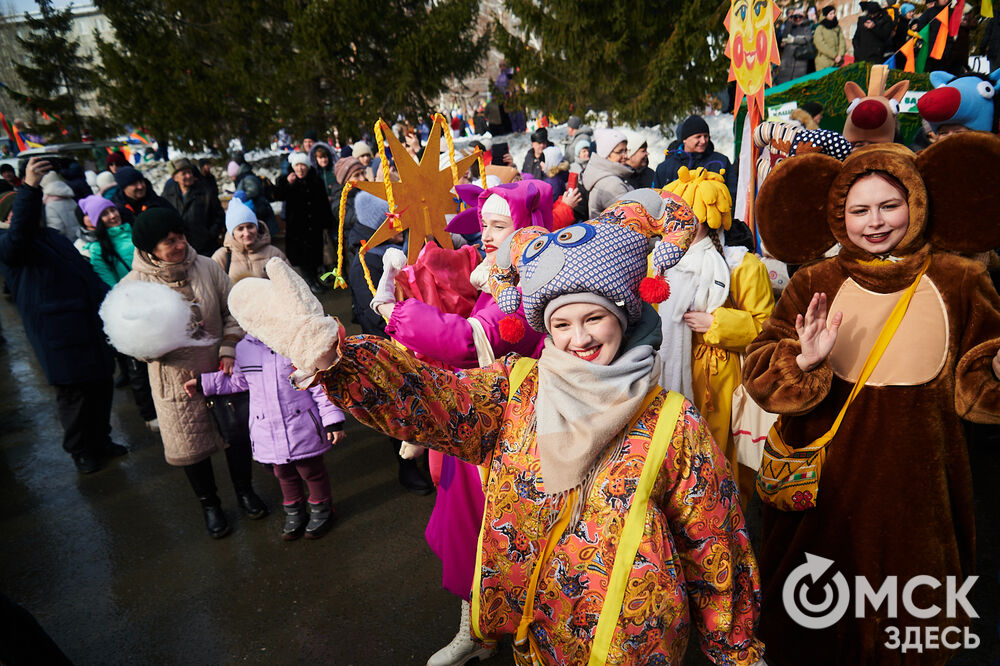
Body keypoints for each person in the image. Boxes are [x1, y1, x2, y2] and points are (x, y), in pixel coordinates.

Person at [228, 193, 764, 665]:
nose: (579, 337)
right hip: (540, 631)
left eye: (594, 317)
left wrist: (736, 651)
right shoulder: (515, 390)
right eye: (560, 322)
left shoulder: (673, 422)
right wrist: (339, 360)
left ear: (623, 317)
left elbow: (713, 542)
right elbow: (432, 401)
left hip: (636, 647)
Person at [743, 137, 1000, 665]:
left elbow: (980, 389)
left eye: (890, 205)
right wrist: (802, 362)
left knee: (913, 629)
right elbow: (760, 372)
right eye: (859, 209)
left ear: (917, 201)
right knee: (815, 628)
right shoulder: (813, 280)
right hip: (825, 492)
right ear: (838, 214)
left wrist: (994, 368)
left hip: (922, 497)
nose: (875, 221)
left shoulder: (962, 280)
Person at [371, 180, 552, 665]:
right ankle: (477, 628)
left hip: (513, 433)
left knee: (505, 536)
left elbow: (472, 341)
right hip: (478, 422)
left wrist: (394, 310)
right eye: (485, 224)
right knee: (468, 533)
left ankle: (514, 632)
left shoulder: (530, 281)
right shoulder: (499, 269)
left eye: (500, 225)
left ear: (526, 228)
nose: (487, 235)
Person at [123, 207, 267, 538]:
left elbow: (233, 310)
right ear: (149, 249)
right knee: (191, 446)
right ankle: (210, 505)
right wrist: (149, 349)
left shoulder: (206, 267)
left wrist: (229, 347)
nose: (179, 244)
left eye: (180, 236)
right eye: (168, 242)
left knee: (236, 436)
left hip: (220, 368)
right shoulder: (134, 286)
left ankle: (245, 491)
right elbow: (128, 339)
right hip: (174, 381)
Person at [656, 169, 774, 507]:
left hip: (721, 381)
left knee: (718, 455)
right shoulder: (660, 263)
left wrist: (716, 322)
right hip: (669, 372)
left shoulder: (741, 266)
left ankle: (727, 523)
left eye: (685, 218)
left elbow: (766, 329)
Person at [0, 158, 122, 474]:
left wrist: (111, 301)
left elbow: (82, 272)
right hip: (58, 334)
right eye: (13, 214)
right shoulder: (9, 246)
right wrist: (27, 188)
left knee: (100, 384)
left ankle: (101, 440)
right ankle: (81, 451)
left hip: (86, 325)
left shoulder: (51, 237)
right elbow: (19, 233)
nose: (24, 217)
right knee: (75, 394)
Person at [187, 335, 346, 541]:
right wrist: (204, 382)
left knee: (311, 470)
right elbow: (238, 381)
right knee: (283, 473)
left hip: (301, 426)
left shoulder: (295, 342)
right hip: (267, 428)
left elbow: (318, 385)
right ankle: (294, 511)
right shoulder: (244, 348)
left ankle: (322, 508)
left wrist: (332, 419)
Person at [346, 191, 432, 495]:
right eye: (391, 221)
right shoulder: (365, 261)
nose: (399, 225)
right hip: (389, 342)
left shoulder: (392, 247)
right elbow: (371, 313)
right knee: (399, 407)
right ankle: (406, 469)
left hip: (409, 336)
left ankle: (425, 460)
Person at [77, 194, 159, 431]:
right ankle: (149, 413)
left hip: (156, 301)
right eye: (104, 214)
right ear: (96, 221)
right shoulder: (98, 250)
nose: (112, 216)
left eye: (112, 211)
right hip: (132, 309)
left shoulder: (136, 232)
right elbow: (110, 286)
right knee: (137, 366)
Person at [273, 152, 335, 295]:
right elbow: (278, 195)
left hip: (314, 226)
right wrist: (288, 183)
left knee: (314, 256)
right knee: (302, 258)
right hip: (297, 229)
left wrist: (326, 223)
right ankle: (309, 282)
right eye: (297, 166)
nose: (300, 169)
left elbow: (323, 203)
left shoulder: (315, 180)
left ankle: (315, 280)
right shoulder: (286, 180)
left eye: (302, 165)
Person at [654, 115, 738, 201]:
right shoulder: (665, 168)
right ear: (684, 139)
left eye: (706, 136)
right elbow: (655, 199)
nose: (703, 141)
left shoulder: (721, 162)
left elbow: (733, 194)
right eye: (698, 137)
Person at [161, 158, 226, 256]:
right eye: (184, 174)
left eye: (189, 172)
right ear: (175, 178)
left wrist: (210, 235)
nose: (189, 176)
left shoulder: (206, 192)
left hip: (206, 248)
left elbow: (219, 216)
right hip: (181, 249)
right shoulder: (168, 195)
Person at [211, 197, 288, 281]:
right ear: (232, 233)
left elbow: (290, 285)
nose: (247, 233)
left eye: (250, 226)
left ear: (257, 227)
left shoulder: (274, 253)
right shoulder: (222, 257)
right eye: (240, 229)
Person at [581, 128, 633, 217]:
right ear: (606, 154)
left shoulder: (602, 175)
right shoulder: (612, 184)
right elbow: (630, 218)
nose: (625, 156)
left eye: (625, 150)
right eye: (620, 152)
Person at [776, 8, 814, 83]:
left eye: (800, 17)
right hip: (787, 60)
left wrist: (794, 40)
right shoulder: (789, 27)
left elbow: (808, 39)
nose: (798, 19)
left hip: (800, 61)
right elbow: (784, 38)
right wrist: (789, 21)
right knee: (784, 84)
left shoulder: (806, 28)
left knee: (797, 84)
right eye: (795, 17)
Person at [39, 172, 79, 242]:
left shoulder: (50, 205)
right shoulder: (71, 199)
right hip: (78, 239)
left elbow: (56, 230)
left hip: (66, 244)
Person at [813, 5, 846, 70]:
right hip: (823, 62)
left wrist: (840, 55)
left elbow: (842, 41)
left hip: (837, 61)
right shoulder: (820, 28)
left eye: (834, 13)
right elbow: (820, 44)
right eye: (830, 14)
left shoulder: (837, 27)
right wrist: (835, 55)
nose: (833, 15)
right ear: (825, 15)